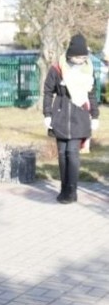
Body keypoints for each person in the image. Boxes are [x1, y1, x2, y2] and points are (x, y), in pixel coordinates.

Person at [43, 34, 100, 204]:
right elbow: (47, 92)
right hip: (60, 115)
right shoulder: (57, 69)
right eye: (78, 57)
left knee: (72, 153)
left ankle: (72, 190)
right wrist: (47, 114)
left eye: (84, 57)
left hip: (80, 116)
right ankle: (64, 187)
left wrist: (95, 115)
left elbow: (92, 94)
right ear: (70, 55)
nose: (81, 60)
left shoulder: (88, 70)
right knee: (61, 154)